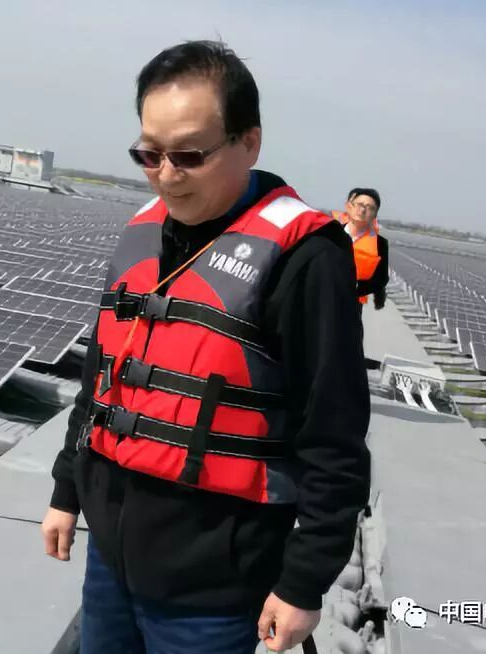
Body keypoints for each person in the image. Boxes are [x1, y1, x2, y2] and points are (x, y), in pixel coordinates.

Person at [41, 40, 371, 654]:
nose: (167, 174)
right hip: (110, 561)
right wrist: (66, 491)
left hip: (214, 588)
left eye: (190, 155)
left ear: (250, 142)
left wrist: (303, 582)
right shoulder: (141, 235)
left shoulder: (306, 261)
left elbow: (335, 437)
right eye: (149, 154)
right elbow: (100, 380)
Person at [334, 189, 390, 310]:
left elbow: (381, 279)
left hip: (352, 303)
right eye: (359, 205)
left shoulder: (380, 244)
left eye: (370, 208)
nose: (363, 210)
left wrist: (355, 287)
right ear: (350, 206)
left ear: (375, 215)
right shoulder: (331, 233)